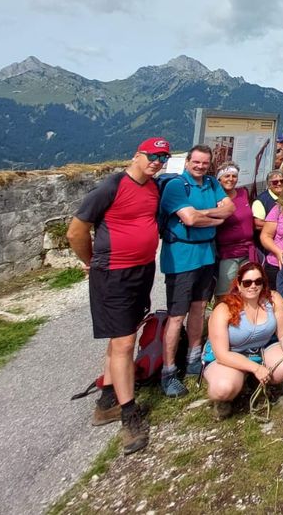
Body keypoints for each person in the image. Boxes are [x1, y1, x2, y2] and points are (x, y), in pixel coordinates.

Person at [68, 136, 169, 454]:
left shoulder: (153, 187)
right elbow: (76, 230)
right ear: (137, 155)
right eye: (152, 156)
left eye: (163, 158)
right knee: (125, 343)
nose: (157, 162)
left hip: (141, 271)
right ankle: (129, 417)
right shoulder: (111, 186)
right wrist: (90, 262)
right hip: (113, 275)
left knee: (121, 336)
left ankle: (107, 400)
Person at [157, 144, 233, 397]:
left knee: (200, 308)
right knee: (177, 315)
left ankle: (193, 358)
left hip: (205, 254)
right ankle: (168, 371)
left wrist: (203, 213)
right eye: (196, 162)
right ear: (188, 161)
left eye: (204, 163)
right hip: (181, 257)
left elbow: (229, 209)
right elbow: (189, 220)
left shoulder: (211, 183)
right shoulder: (177, 186)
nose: (200, 166)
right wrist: (215, 218)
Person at [201, 262, 283, 419]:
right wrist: (255, 368)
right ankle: (225, 398)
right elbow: (222, 354)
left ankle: (254, 381)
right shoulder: (223, 309)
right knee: (223, 388)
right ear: (238, 284)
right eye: (247, 282)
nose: (253, 286)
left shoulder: (273, 299)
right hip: (230, 354)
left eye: (258, 281)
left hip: (262, 349)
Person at [213, 163, 258, 298]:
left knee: (248, 290)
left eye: (234, 176)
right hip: (228, 253)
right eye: (227, 176)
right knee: (225, 293)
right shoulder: (215, 198)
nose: (231, 179)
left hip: (248, 250)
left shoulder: (243, 193)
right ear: (219, 179)